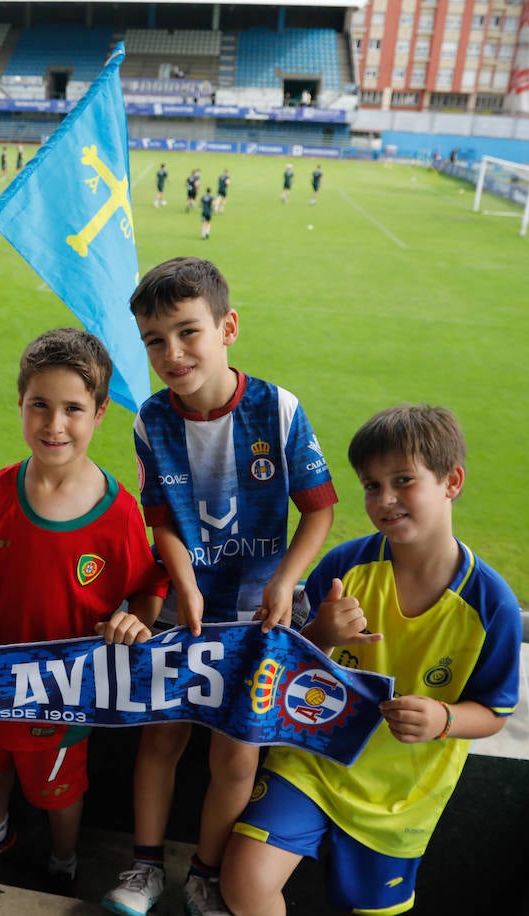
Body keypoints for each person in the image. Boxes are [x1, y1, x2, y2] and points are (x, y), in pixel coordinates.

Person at [103, 257, 337, 916]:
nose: (172, 353)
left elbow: (318, 507)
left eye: (187, 332)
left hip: (261, 622)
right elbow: (162, 521)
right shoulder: (151, 421)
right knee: (162, 738)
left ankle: (204, 873)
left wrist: (286, 582)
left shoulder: (278, 409)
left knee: (236, 759)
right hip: (186, 614)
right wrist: (184, 584)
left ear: (227, 327)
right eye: (154, 340)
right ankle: (145, 868)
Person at [222, 404, 523, 916]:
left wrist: (443, 718)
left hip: (401, 797)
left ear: (452, 481)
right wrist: (320, 631)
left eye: (403, 481)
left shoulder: (492, 605)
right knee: (244, 883)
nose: (384, 499)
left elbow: (494, 713)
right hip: (312, 762)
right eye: (370, 485)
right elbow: (283, 663)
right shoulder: (347, 566)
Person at [0, 329, 168, 896]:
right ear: (20, 404)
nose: (53, 424)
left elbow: (146, 586)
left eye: (72, 408)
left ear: (100, 411)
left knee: (57, 790)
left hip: (63, 693)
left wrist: (139, 615)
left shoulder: (117, 515)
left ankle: (64, 862)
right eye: (40, 404)